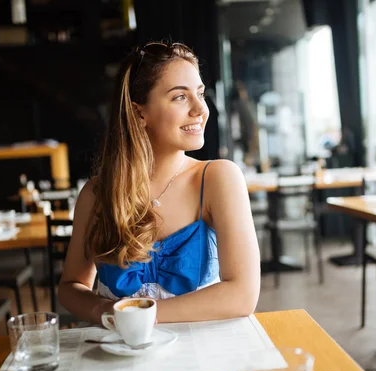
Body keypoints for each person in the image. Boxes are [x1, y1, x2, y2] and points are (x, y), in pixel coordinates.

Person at [58, 42, 260, 324]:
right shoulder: (96, 193)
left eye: (200, 94)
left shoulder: (218, 178)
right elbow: (70, 287)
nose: (200, 109)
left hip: (202, 352)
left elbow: (242, 295)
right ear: (140, 113)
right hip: (120, 353)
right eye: (180, 97)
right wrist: (104, 312)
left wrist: (139, 317)